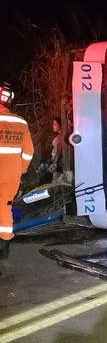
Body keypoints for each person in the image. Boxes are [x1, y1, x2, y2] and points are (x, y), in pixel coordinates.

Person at [0, 82, 34, 261]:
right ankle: (4, 246)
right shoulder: (20, 122)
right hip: (12, 176)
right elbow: (29, 151)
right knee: (4, 208)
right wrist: (20, 170)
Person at [48, 116, 64, 182]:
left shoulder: (61, 136)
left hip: (58, 164)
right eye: (53, 124)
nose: (53, 126)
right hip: (57, 162)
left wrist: (54, 163)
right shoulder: (59, 136)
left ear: (60, 125)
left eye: (55, 124)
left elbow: (59, 152)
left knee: (56, 181)